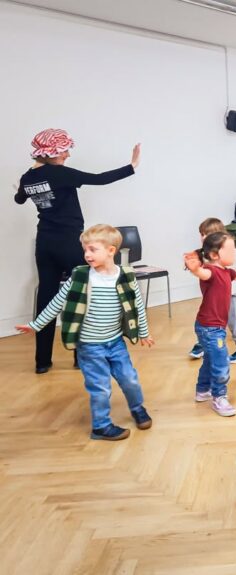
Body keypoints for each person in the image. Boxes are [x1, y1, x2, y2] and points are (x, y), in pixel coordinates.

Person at [15, 128, 140, 374]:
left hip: (45, 243)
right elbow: (100, 179)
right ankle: (79, 358)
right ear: (50, 153)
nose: (67, 155)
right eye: (63, 151)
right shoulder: (60, 174)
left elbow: (19, 199)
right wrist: (132, 166)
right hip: (69, 241)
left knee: (47, 299)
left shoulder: (27, 177)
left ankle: (42, 362)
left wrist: (26, 191)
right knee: (81, 297)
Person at [15, 225, 153, 440]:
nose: (87, 255)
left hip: (115, 342)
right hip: (89, 346)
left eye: (92, 249)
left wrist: (144, 333)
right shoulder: (80, 277)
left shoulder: (126, 276)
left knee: (130, 379)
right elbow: (56, 303)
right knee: (100, 387)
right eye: (85, 250)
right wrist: (36, 325)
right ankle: (101, 426)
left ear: (111, 251)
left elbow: (135, 307)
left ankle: (137, 408)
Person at [184, 233, 236, 417]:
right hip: (210, 328)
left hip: (210, 326)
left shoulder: (227, 272)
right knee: (221, 362)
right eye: (230, 250)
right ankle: (219, 397)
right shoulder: (211, 271)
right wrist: (194, 269)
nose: (234, 253)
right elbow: (202, 273)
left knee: (210, 359)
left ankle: (202, 390)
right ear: (214, 255)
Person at [188, 218, 236, 364]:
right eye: (201, 234)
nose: (202, 237)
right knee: (207, 317)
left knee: (231, 320)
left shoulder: (232, 252)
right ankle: (203, 343)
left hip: (230, 293)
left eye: (206, 234)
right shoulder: (204, 253)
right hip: (212, 294)